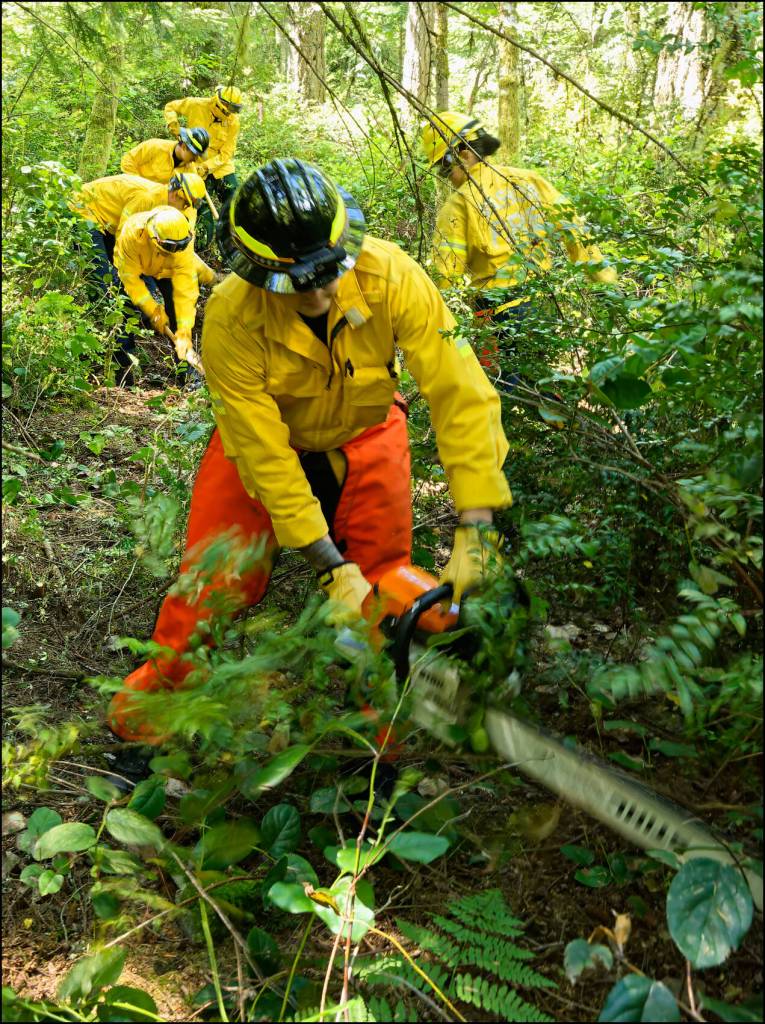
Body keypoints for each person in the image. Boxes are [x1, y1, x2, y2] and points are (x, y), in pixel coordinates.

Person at [107, 158, 512, 745]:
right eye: (300, 280)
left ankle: (377, 740)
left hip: (366, 429)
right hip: (269, 441)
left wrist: (477, 526)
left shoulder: (392, 274)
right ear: (262, 271)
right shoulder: (232, 316)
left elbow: (460, 391)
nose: (320, 291)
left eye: (329, 272)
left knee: (386, 582)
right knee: (211, 585)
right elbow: (263, 452)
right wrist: (328, 566)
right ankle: (148, 717)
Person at [421, 111, 617, 380]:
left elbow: (445, 276)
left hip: (494, 312)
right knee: (540, 380)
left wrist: (443, 332)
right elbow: (573, 229)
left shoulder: (457, 206)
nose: (447, 177)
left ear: (463, 154)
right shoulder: (529, 181)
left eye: (445, 168)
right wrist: (606, 282)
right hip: (543, 302)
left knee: (500, 386)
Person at [112, 205, 214, 385]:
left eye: (178, 247)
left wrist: (184, 331)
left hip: (168, 271)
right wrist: (153, 310)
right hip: (135, 266)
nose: (174, 251)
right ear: (154, 238)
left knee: (177, 313)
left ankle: (187, 374)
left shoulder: (183, 243)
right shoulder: (132, 233)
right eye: (169, 247)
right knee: (125, 312)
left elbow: (185, 293)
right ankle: (124, 377)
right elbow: (131, 281)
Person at [163, 85, 243, 248]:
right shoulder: (196, 104)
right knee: (201, 210)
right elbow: (170, 106)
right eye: (230, 109)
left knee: (236, 201)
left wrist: (207, 166)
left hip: (221, 166)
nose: (232, 113)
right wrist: (173, 124)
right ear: (221, 104)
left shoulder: (233, 121)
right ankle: (203, 243)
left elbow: (227, 152)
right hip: (195, 167)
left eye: (235, 109)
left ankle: (237, 241)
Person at [120, 128, 210, 183]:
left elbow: (188, 194)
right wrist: (138, 184)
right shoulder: (155, 147)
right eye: (194, 155)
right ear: (184, 146)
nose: (195, 159)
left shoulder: (190, 170)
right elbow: (128, 161)